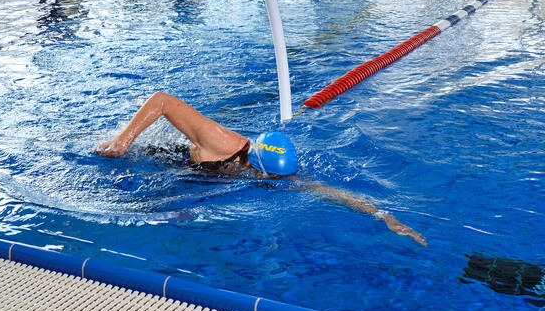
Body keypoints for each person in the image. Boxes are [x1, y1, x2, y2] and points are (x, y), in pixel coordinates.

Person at [97, 92, 427, 246]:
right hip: (167, 159)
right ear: (257, 167)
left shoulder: (273, 170)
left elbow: (326, 191)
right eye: (270, 179)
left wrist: (383, 216)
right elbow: (163, 100)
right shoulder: (219, 140)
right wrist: (122, 140)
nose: (274, 183)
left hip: (199, 179)